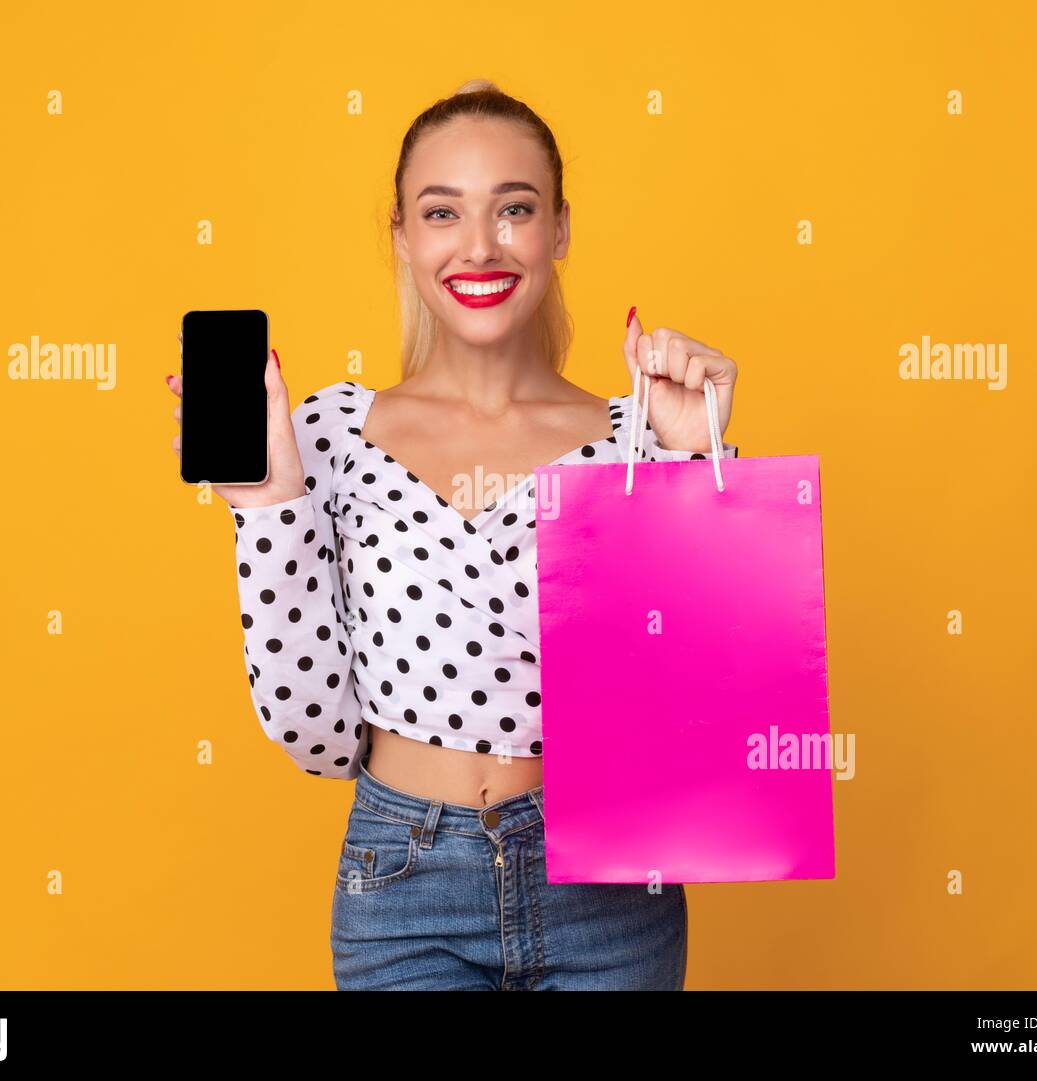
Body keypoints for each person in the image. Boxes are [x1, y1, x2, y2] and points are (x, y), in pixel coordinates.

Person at [166, 80, 739, 990]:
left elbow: (701, 722)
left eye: (514, 209)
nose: (481, 245)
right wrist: (270, 505)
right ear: (400, 232)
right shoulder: (328, 439)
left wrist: (696, 469)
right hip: (403, 885)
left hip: (611, 894)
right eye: (444, 212)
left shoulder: (635, 438)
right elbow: (317, 738)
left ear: (558, 230)